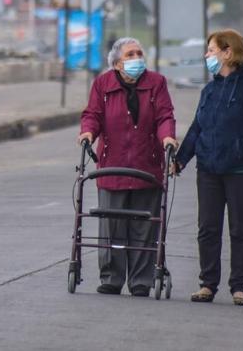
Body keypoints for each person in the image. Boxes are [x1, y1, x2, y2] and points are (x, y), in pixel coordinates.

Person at [175, 29, 243, 307]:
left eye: (211, 50)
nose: (207, 55)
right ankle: (208, 284)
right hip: (209, 168)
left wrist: (240, 147)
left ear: (227, 52)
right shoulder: (209, 89)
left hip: (242, 170)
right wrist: (181, 158)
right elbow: (198, 126)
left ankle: (239, 287)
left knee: (240, 229)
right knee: (207, 228)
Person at [78, 37, 177, 298]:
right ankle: (111, 277)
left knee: (144, 228)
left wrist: (167, 136)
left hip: (146, 164)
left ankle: (140, 282)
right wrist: (87, 133)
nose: (137, 59)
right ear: (117, 63)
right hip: (113, 165)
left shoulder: (157, 83)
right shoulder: (103, 84)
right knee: (112, 225)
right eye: (130, 55)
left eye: (139, 53)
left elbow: (164, 115)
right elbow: (93, 115)